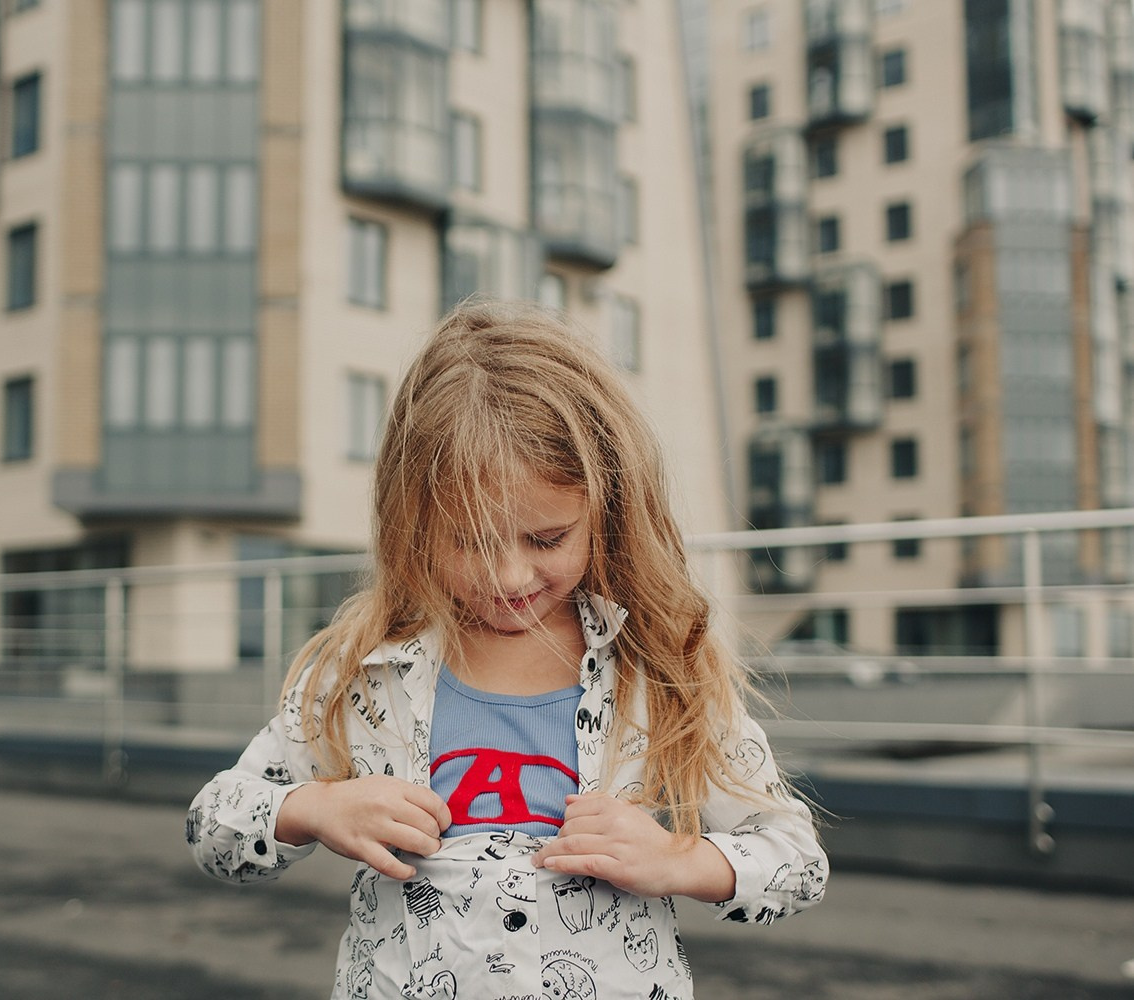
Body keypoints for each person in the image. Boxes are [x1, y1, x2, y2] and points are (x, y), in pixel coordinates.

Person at [187, 300, 827, 999]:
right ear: (412, 522)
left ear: (607, 509)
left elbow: (795, 861)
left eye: (546, 539)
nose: (510, 577)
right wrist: (313, 810)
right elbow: (213, 827)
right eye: (471, 542)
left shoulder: (659, 671)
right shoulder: (358, 673)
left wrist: (676, 858)